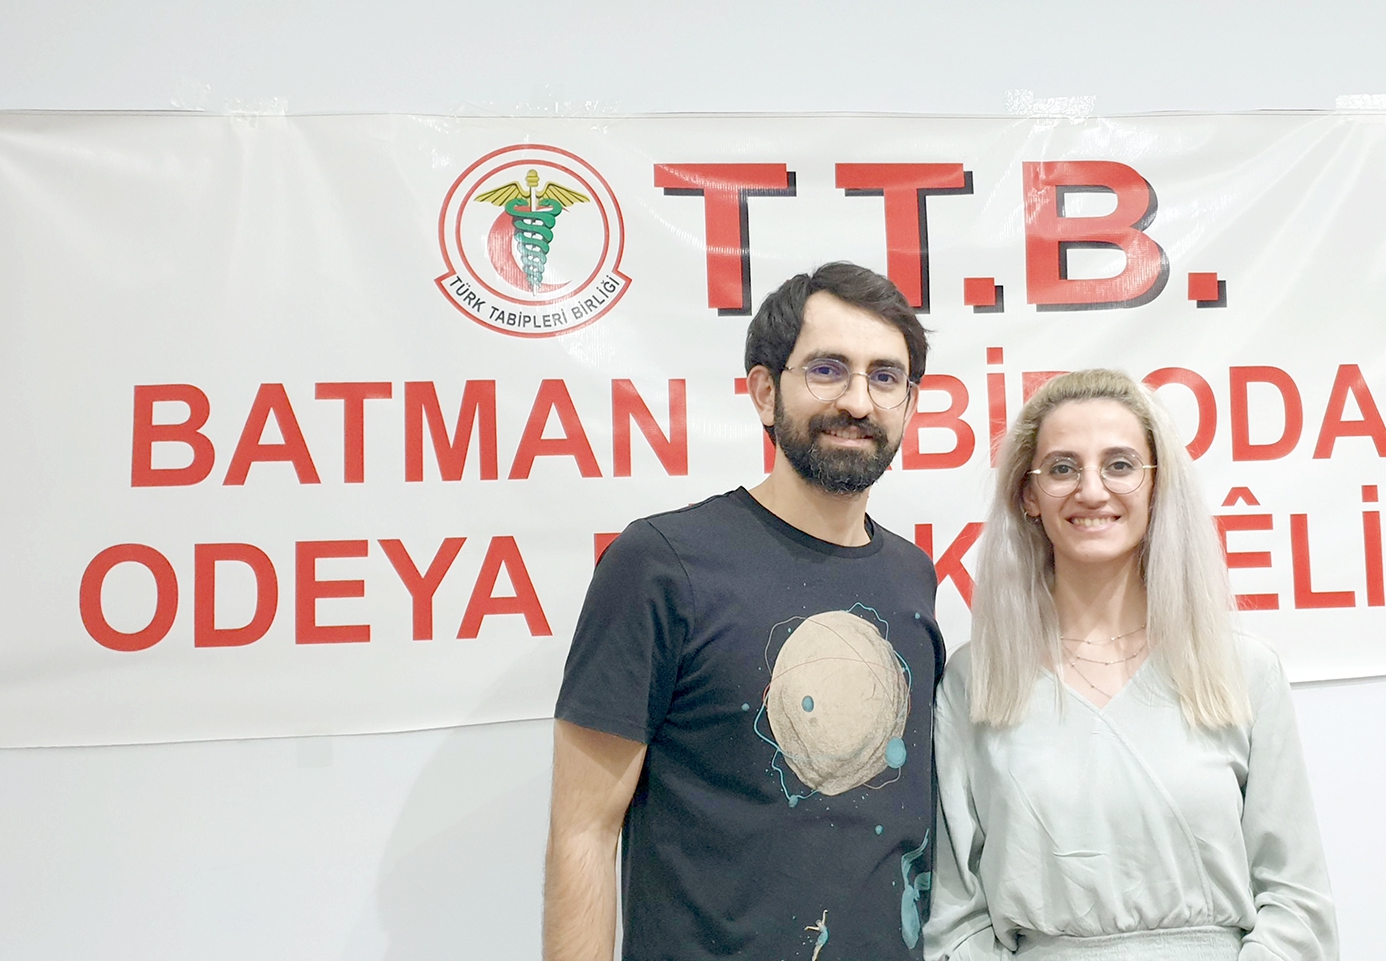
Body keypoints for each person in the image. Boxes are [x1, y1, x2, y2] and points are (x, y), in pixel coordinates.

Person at [544, 262, 945, 961]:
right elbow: (583, 833)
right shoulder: (661, 563)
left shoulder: (913, 576)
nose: (858, 401)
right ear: (764, 391)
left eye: (885, 377)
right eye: (827, 370)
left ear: (908, 404)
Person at [925, 369, 1338, 961]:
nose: (1092, 490)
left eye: (1119, 465)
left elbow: (1298, 905)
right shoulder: (975, 683)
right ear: (1028, 496)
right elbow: (955, 919)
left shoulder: (1245, 671)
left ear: (1155, 486)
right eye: (1062, 468)